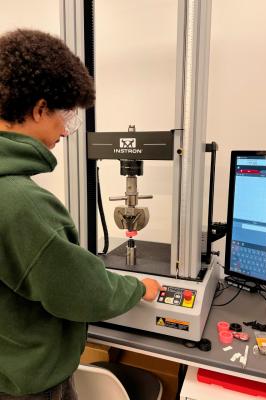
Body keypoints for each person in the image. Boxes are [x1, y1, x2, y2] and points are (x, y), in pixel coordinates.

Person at [0, 28, 162, 399]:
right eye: (65, 116)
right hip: (28, 385)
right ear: (39, 108)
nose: (68, 132)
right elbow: (83, 292)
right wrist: (139, 287)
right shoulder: (21, 201)